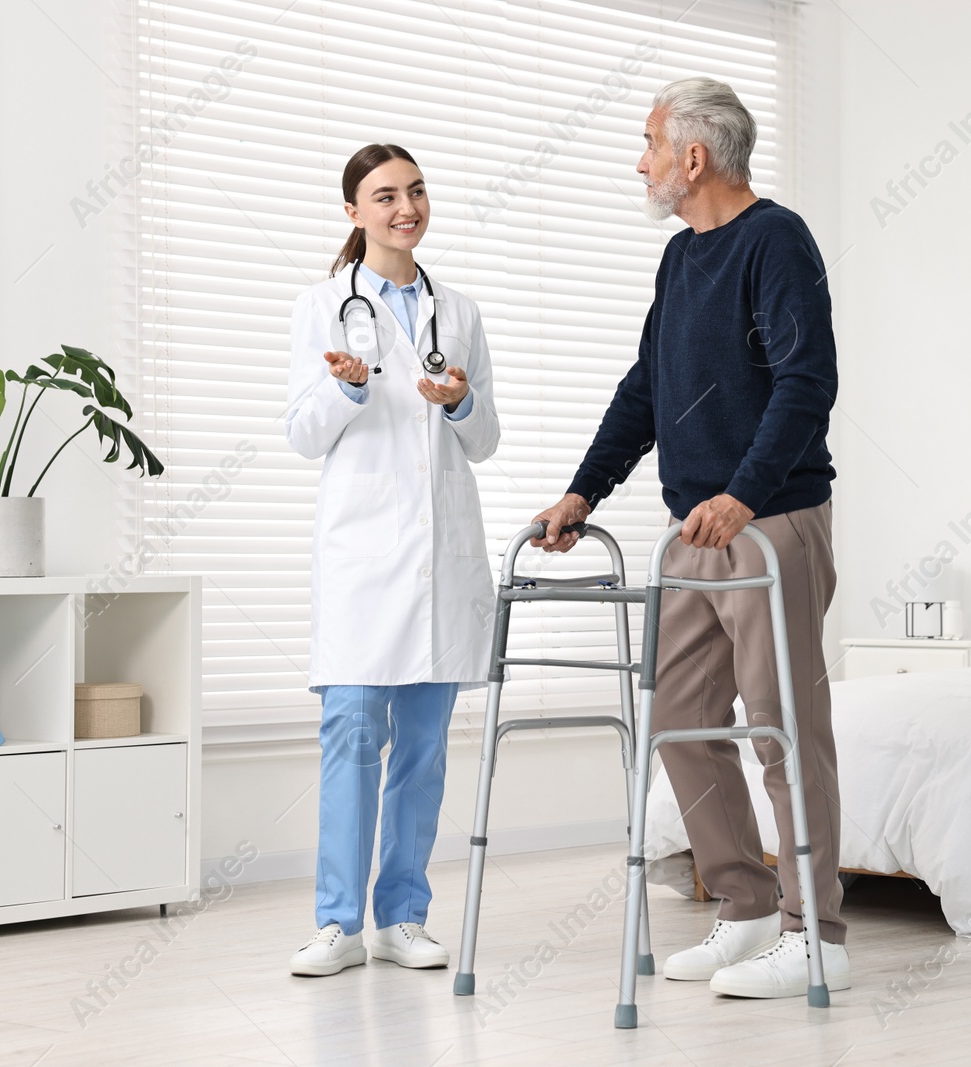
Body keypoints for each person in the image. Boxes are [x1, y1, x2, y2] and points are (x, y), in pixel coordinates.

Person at [531, 78, 849, 1000]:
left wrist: (745, 495)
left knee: (785, 730)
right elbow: (647, 387)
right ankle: (748, 908)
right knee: (678, 717)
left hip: (770, 521)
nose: (641, 162)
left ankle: (816, 931)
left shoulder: (776, 241)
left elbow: (806, 380)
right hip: (694, 528)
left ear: (694, 158)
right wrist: (584, 488)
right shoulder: (681, 259)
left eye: (648, 145)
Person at [283, 143, 500, 977]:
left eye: (414, 192)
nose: (404, 207)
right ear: (353, 212)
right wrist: (345, 387)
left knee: (422, 747)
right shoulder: (321, 308)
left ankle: (401, 916)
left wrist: (461, 402)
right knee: (350, 734)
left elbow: (484, 440)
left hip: (440, 559)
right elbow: (302, 435)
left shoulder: (461, 312)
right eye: (384, 196)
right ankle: (337, 923)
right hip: (362, 559)